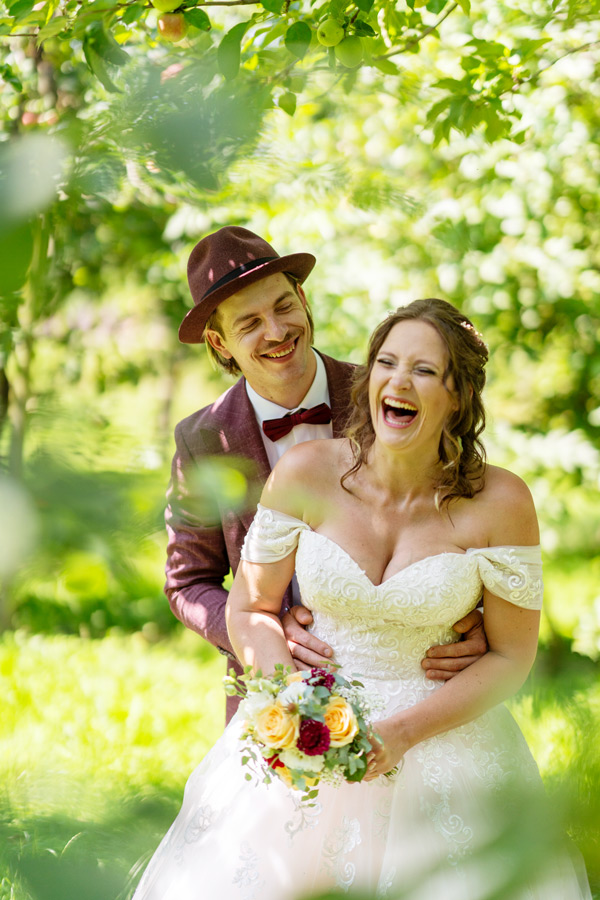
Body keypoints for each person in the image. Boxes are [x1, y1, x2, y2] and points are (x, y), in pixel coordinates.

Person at [133, 299, 591, 900]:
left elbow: (511, 657)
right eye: (387, 363)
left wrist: (402, 733)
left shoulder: (502, 503)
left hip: (442, 738)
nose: (399, 381)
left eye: (424, 371)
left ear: (459, 396)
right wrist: (292, 701)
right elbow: (249, 607)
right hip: (306, 730)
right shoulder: (305, 471)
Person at [166, 226, 486, 722]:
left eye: (283, 306)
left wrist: (481, 619)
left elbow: (468, 511)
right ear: (220, 342)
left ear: (304, 298)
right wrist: (263, 635)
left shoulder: (389, 394)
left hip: (416, 685)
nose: (276, 331)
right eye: (249, 323)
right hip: (277, 697)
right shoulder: (203, 440)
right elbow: (187, 583)